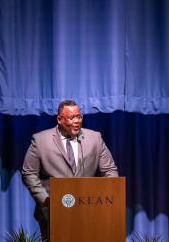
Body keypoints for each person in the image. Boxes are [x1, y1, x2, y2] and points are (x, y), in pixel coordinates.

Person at [22, 99, 119, 232]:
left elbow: (110, 170)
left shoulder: (95, 138)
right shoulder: (40, 140)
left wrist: (107, 196)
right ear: (60, 119)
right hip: (52, 211)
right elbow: (29, 173)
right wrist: (45, 200)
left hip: (89, 209)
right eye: (71, 117)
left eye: (79, 116)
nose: (77, 121)